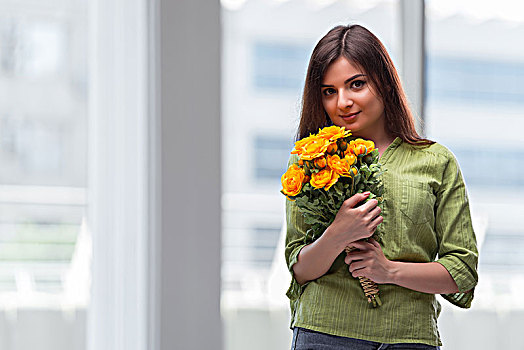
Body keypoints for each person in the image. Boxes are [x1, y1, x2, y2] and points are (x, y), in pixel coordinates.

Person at [285, 24, 478, 349]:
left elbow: (461, 270)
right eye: (329, 91)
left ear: (385, 84)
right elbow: (299, 269)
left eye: (356, 85)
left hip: (410, 338)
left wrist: (389, 271)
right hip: (325, 335)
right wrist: (339, 233)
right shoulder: (311, 159)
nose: (342, 102)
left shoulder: (436, 161)